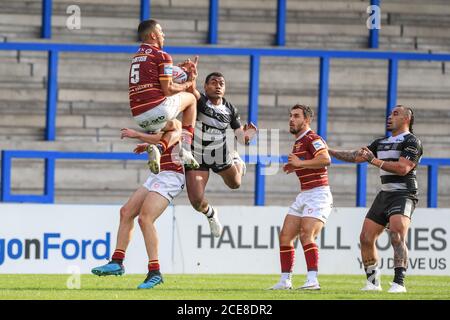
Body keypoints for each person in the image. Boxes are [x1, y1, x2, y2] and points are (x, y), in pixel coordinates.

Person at [328, 105, 423, 293]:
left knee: (396, 235)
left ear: (407, 119)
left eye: (395, 114)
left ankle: (399, 283)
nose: (389, 116)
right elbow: (355, 157)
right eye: (389, 113)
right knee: (365, 238)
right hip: (385, 194)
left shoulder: (412, 141)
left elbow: (403, 168)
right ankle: (373, 283)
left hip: (404, 193)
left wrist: (373, 160)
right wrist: (328, 149)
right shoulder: (381, 142)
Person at [92, 123, 185, 289]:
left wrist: (137, 134)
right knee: (126, 212)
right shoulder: (167, 118)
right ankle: (117, 262)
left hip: (172, 175)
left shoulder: (176, 121)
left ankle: (155, 272)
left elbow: (171, 135)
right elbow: (163, 138)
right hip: (159, 174)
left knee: (145, 219)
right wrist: (148, 144)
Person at [184, 68, 257, 237]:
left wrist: (248, 136)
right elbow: (191, 91)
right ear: (206, 86)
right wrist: (191, 77)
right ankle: (211, 215)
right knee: (196, 202)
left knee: (235, 184)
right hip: (197, 155)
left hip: (218, 153)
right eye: (214, 83)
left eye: (221, 84)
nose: (218, 86)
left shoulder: (230, 108)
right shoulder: (200, 101)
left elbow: (240, 137)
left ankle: (236, 159)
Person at [270, 104, 333, 290]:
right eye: (290, 115)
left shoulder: (312, 138)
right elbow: (308, 162)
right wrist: (296, 166)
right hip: (305, 194)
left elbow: (325, 159)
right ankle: (285, 281)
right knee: (285, 236)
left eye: (296, 116)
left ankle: (312, 280)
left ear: (307, 120)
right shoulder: (299, 141)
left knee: (307, 234)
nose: (291, 119)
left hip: (319, 194)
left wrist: (300, 162)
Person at [129, 19, 199, 174]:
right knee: (192, 100)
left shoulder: (137, 56)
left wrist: (175, 71)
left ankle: (159, 149)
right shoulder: (162, 55)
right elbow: (168, 89)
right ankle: (186, 150)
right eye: (161, 31)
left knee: (177, 127)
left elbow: (155, 79)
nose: (163, 34)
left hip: (139, 116)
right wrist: (189, 82)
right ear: (153, 35)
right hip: (158, 108)